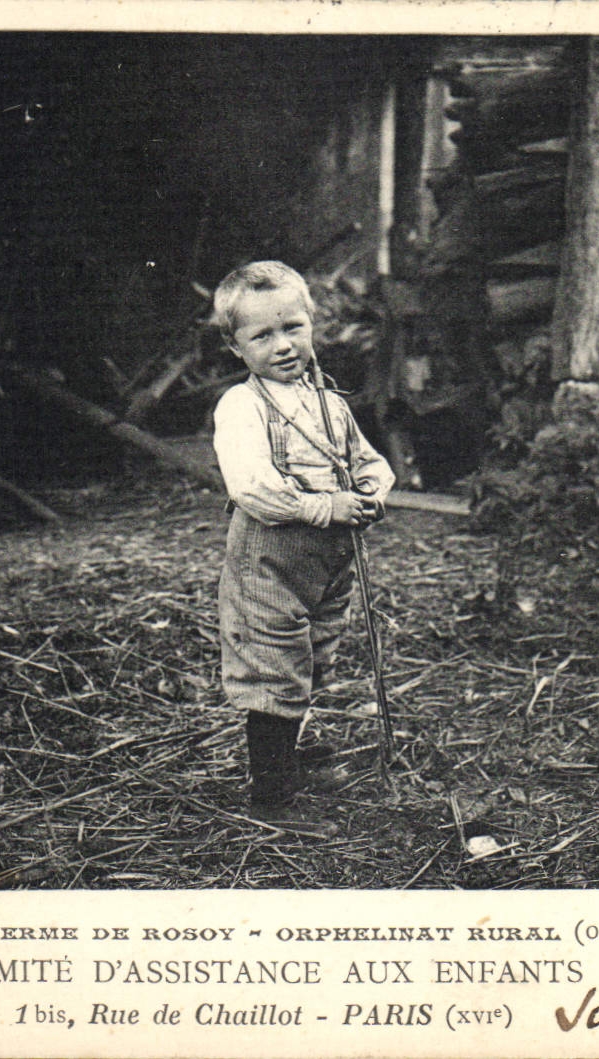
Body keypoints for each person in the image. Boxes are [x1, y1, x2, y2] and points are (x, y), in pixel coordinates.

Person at [210, 260, 395, 830]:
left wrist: (371, 489)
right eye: (262, 336)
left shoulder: (328, 403)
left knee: (312, 656)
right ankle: (271, 799)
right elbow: (253, 487)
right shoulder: (242, 407)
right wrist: (324, 506)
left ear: (312, 324)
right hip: (270, 559)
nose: (283, 345)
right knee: (272, 666)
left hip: (327, 563)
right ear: (236, 347)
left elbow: (368, 460)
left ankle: (287, 759)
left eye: (293, 327)